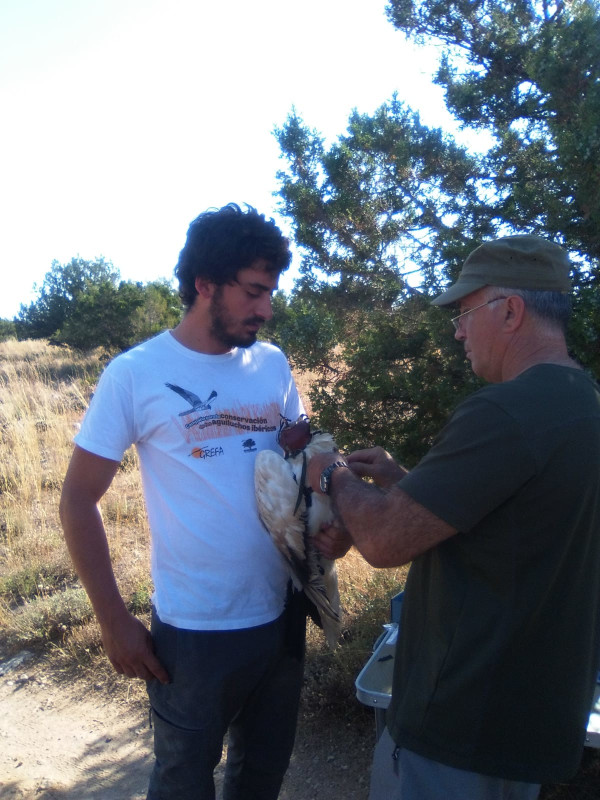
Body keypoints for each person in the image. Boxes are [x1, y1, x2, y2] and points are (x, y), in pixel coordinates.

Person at [307, 235, 600, 800]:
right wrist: (402, 481)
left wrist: (331, 475)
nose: (458, 331)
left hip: (461, 723)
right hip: (528, 715)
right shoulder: (579, 400)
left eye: (466, 313)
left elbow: (387, 541)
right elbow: (510, 521)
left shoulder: (505, 411)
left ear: (510, 311)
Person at [60, 203, 307, 800]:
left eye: (271, 292)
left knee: (261, 778)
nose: (266, 309)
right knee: (182, 782)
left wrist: (326, 487)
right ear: (205, 284)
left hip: (283, 614)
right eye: (253, 291)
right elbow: (77, 500)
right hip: (196, 631)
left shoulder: (271, 363)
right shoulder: (136, 373)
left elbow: (299, 452)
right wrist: (114, 620)